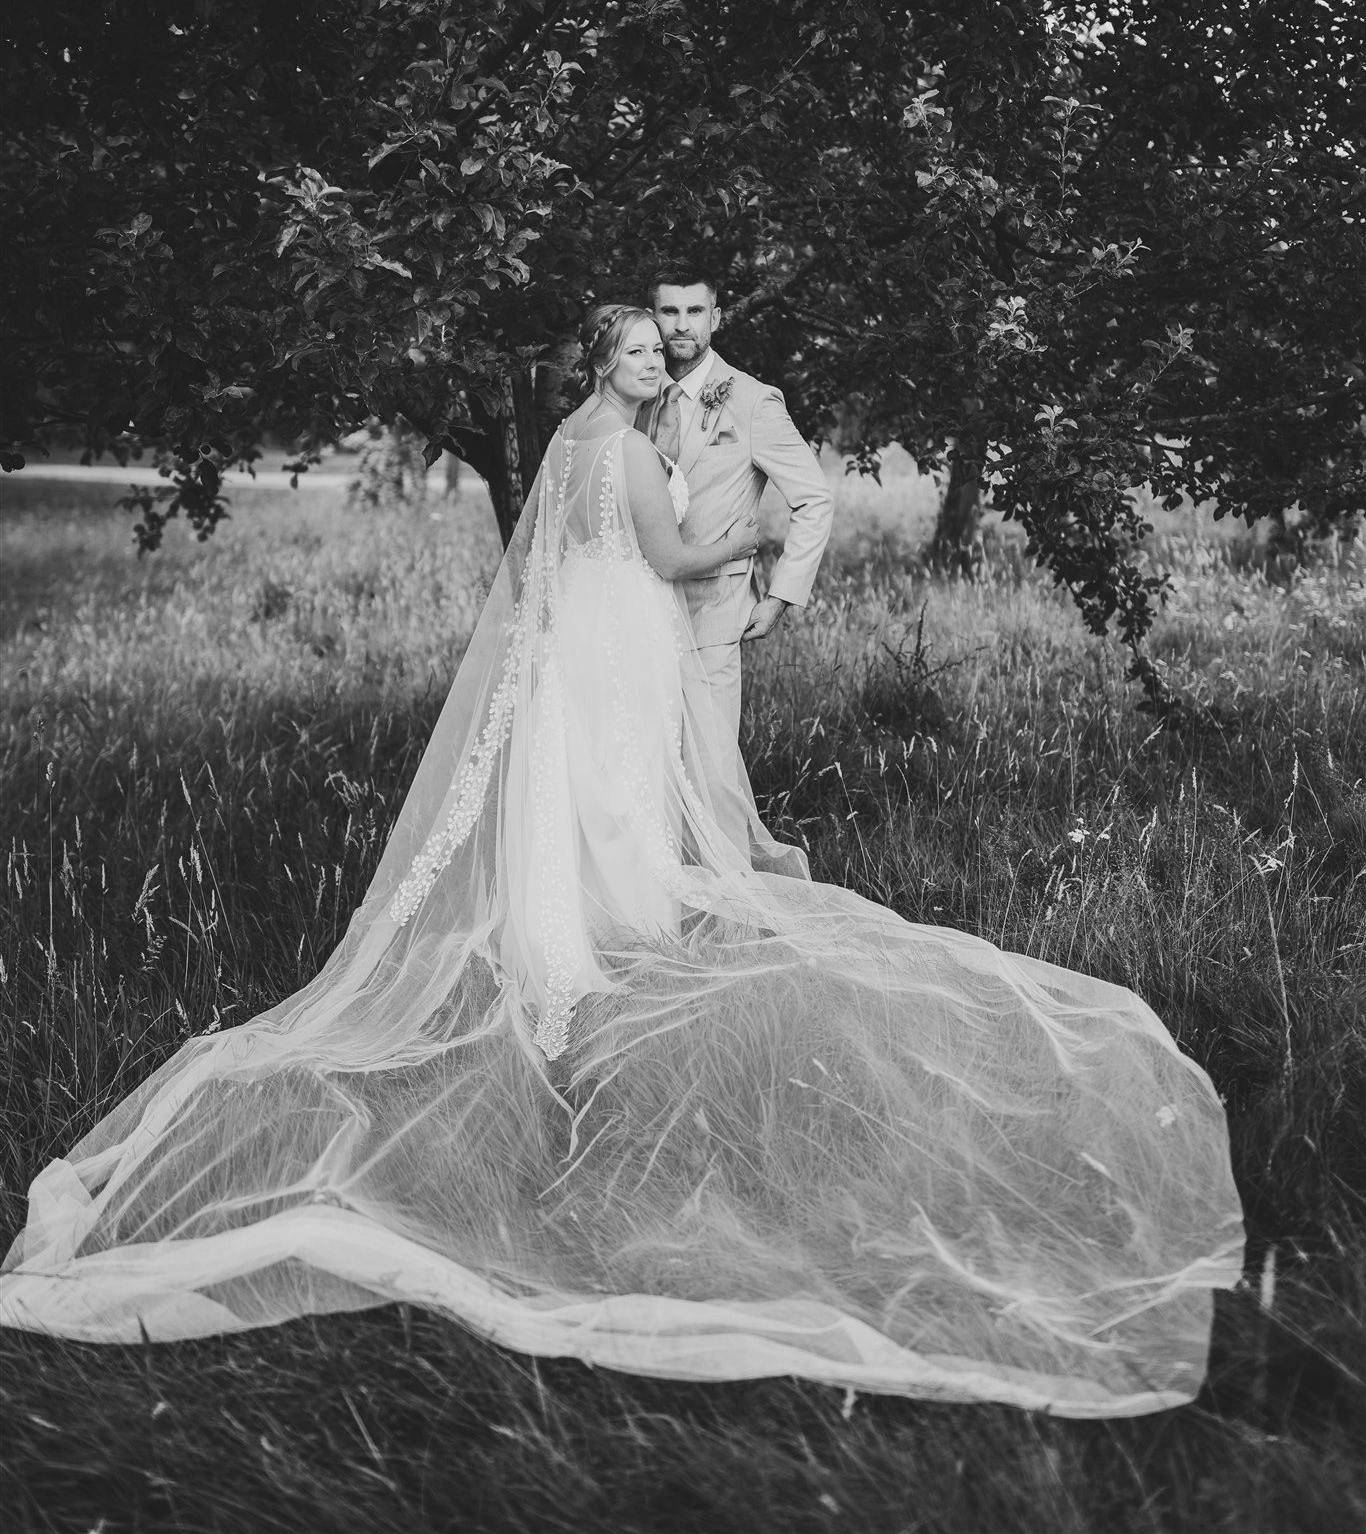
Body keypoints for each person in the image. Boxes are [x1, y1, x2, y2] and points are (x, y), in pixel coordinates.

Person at [0, 304, 1244, 1418]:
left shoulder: (560, 448)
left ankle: (571, 941)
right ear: (603, 363)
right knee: (622, 808)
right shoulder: (629, 449)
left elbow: (558, 566)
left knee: (578, 804)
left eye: (664, 344)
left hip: (580, 655)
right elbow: (671, 558)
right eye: (640, 347)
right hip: (622, 650)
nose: (659, 357)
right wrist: (750, 530)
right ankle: (601, 957)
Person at [644, 268, 834, 743]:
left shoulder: (752, 401)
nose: (682, 325)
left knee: (712, 769)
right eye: (670, 311)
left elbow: (815, 498)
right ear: (653, 319)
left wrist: (779, 598)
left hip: (714, 613)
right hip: (638, 610)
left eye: (695, 311)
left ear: (717, 318)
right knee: (649, 768)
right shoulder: (638, 394)